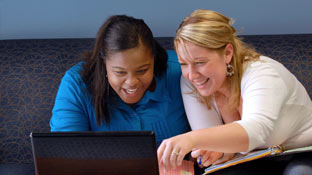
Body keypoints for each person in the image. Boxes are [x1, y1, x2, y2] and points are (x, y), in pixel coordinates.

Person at [157, 9, 312, 174]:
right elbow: (213, 143)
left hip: (301, 153)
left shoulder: (263, 72)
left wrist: (190, 138)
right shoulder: (190, 82)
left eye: (200, 62)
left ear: (227, 53)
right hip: (253, 160)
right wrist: (218, 150)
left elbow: (257, 130)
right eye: (183, 63)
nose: (192, 74)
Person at [50, 15, 190, 146]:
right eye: (120, 72)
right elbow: (64, 154)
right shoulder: (76, 85)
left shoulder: (183, 71)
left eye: (142, 70)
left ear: (154, 59)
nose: (131, 82)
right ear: (104, 64)